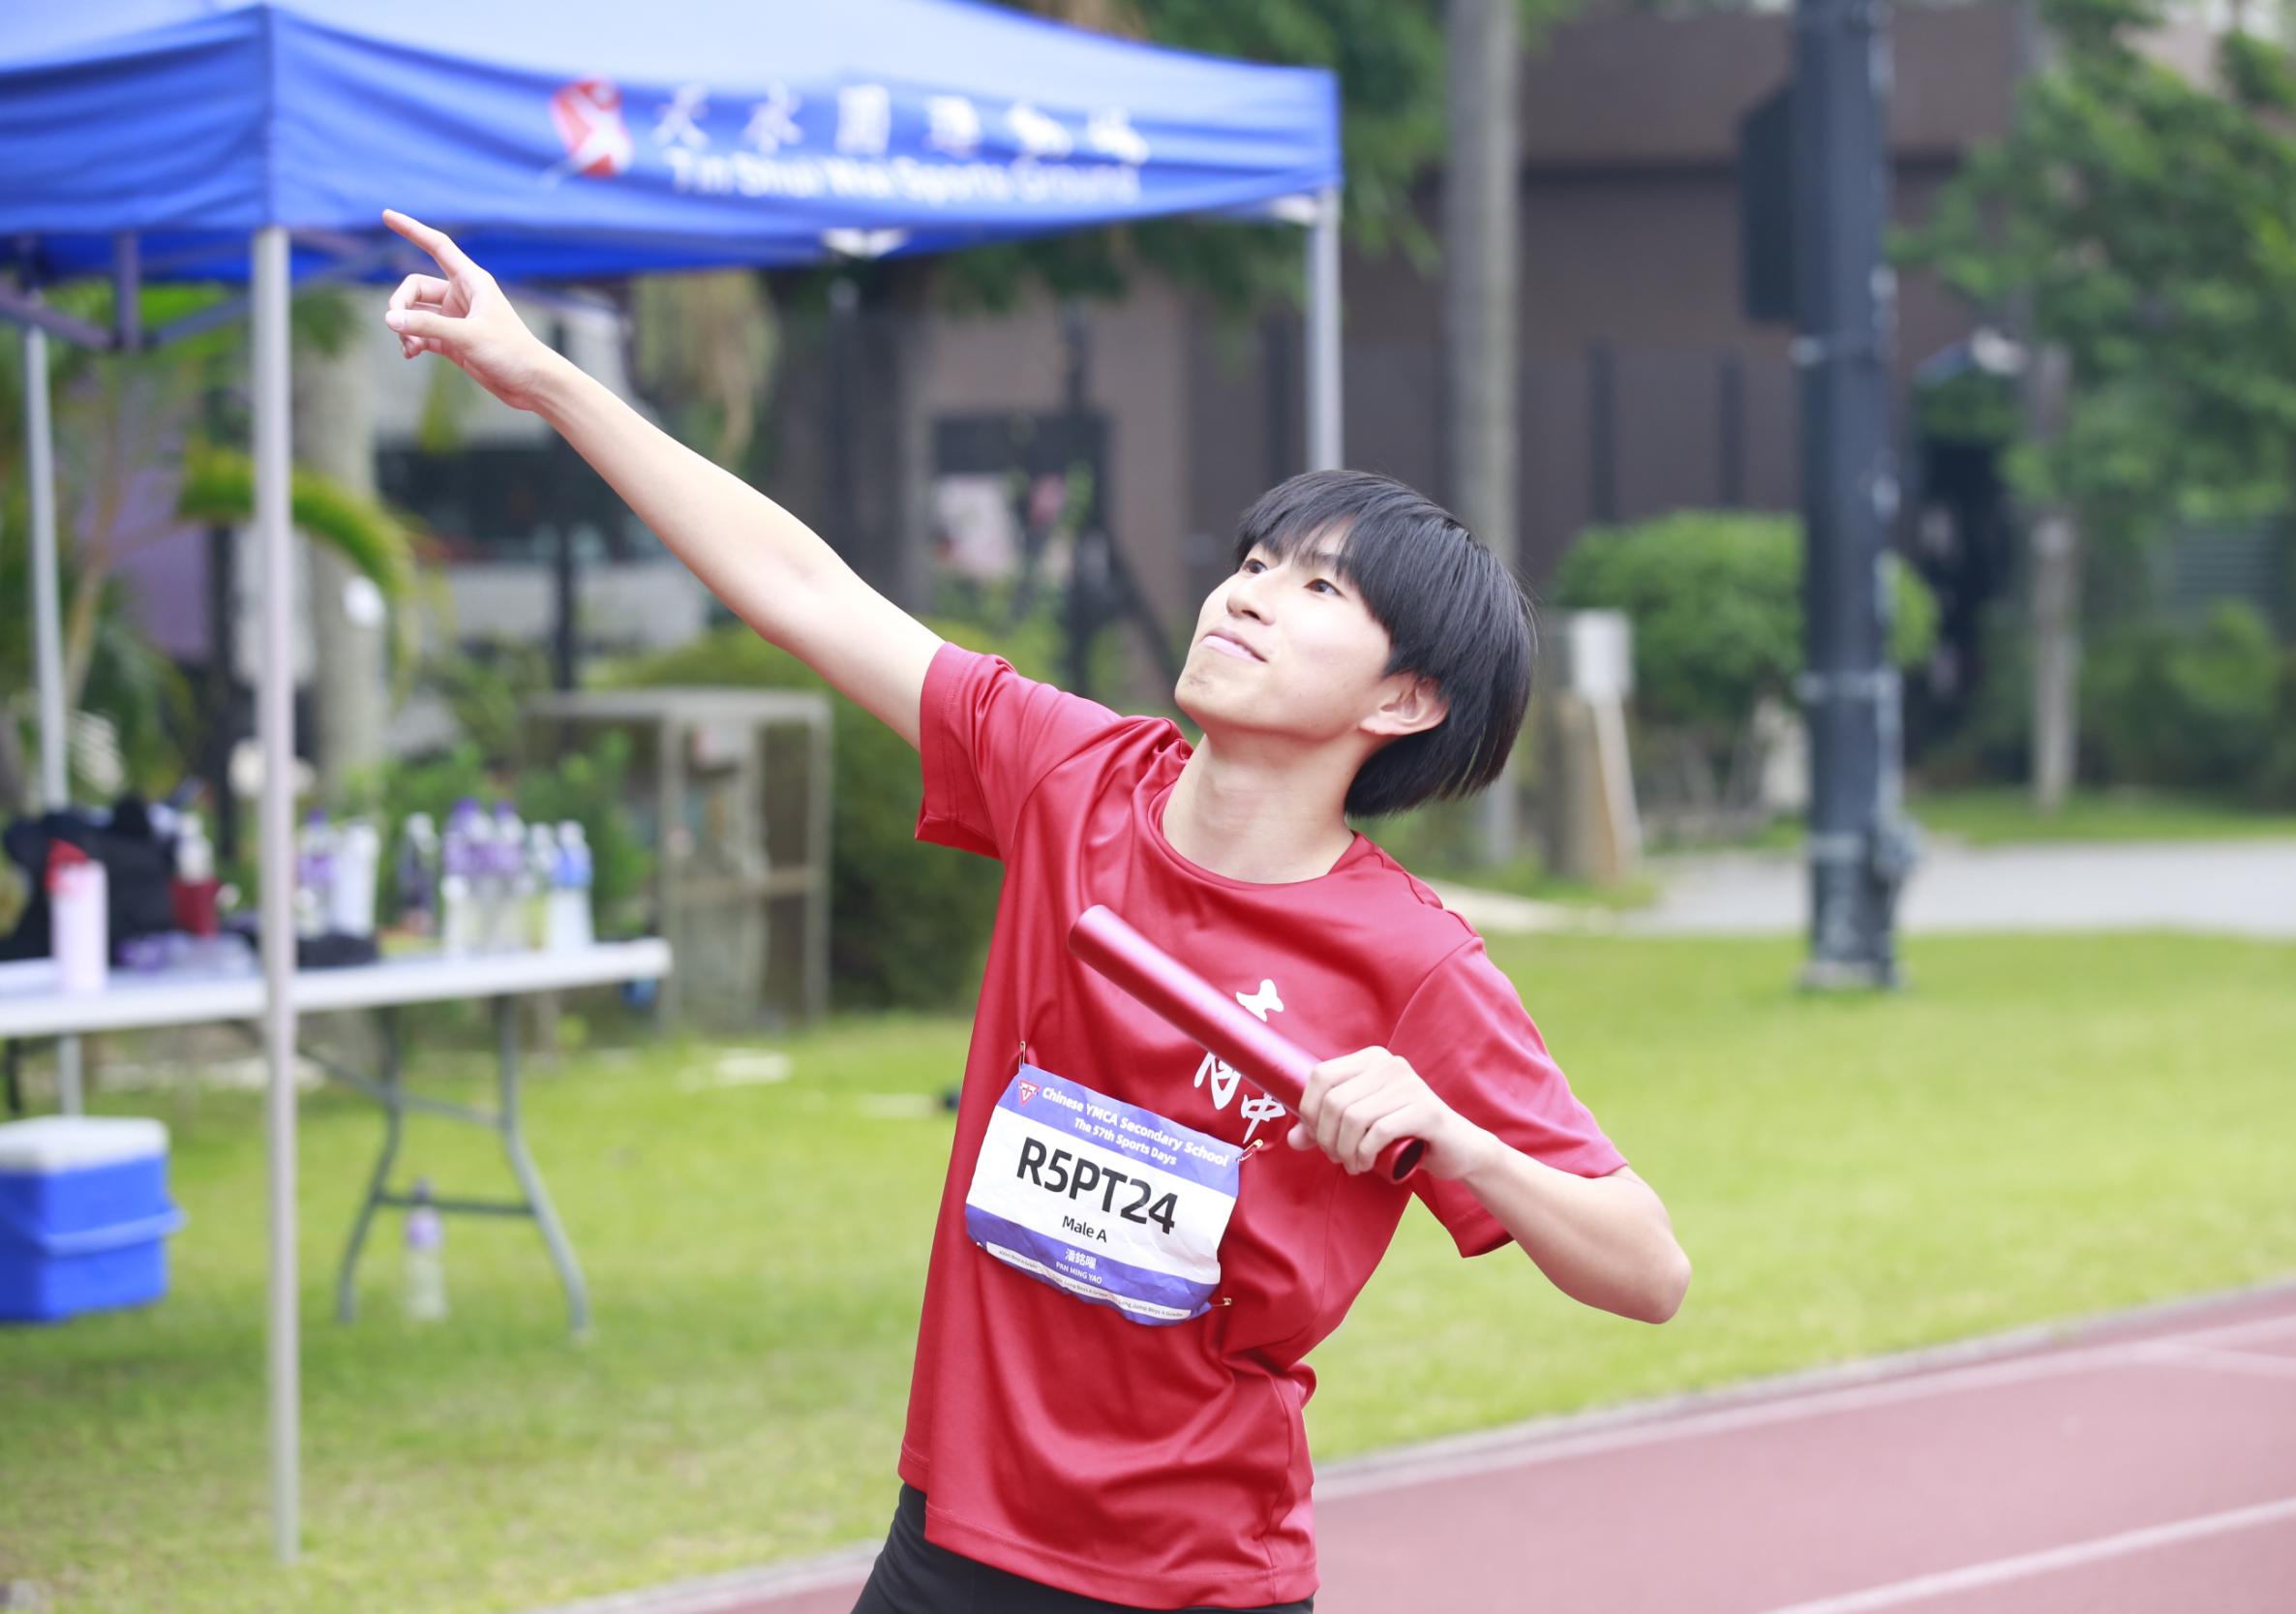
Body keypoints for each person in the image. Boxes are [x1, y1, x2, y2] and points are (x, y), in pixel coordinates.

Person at [378, 209, 1689, 1613]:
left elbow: (1648, 1269)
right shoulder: (1071, 777)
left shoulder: (1412, 962)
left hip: (1194, 1579)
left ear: (1406, 700)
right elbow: (803, 588)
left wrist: (1458, 1140)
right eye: (1254, 564)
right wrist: (546, 378)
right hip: (950, 1541)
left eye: (1318, 590)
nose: (1247, 599)